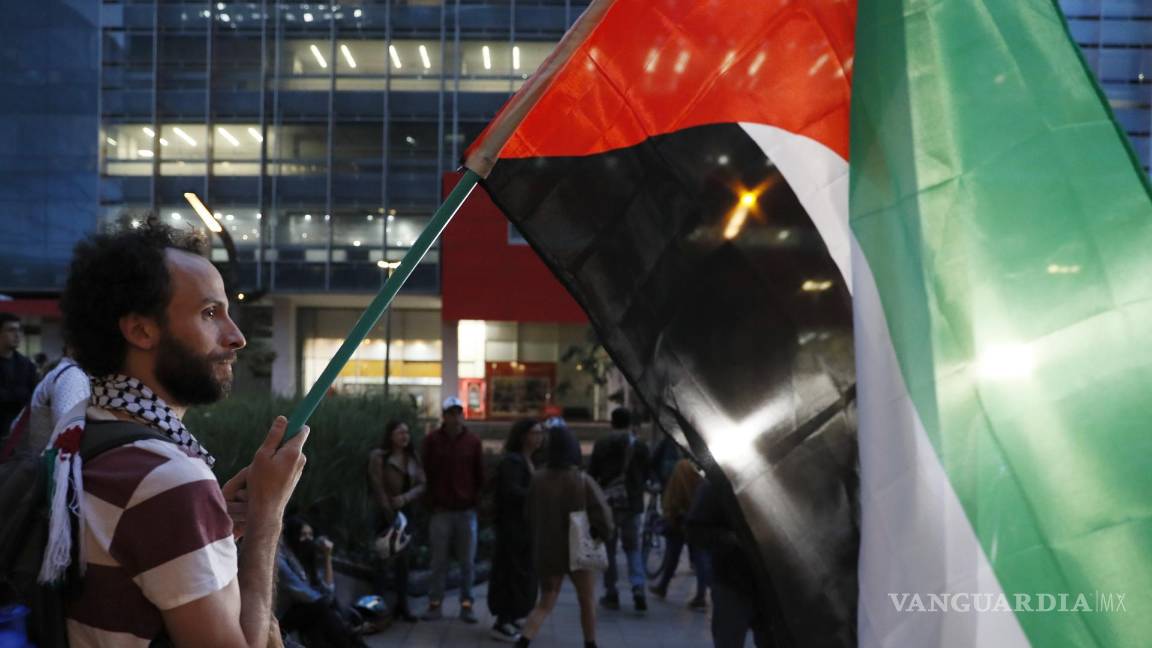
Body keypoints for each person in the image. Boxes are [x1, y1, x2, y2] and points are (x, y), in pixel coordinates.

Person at [56, 223, 309, 646]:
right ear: (140, 330)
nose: (237, 337)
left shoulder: (81, 434)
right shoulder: (165, 479)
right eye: (210, 313)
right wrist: (267, 516)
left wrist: (206, 526)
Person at [516, 420, 613, 648]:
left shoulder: (537, 479)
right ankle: (590, 643)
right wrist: (602, 535)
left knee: (545, 603)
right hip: (579, 550)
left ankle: (523, 641)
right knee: (586, 600)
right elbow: (604, 517)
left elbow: (527, 514)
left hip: (548, 550)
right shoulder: (581, 480)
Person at [420, 395, 484, 623]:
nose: (455, 417)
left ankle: (467, 604)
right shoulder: (432, 441)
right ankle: (434, 603)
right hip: (441, 511)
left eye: (458, 412)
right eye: (450, 413)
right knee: (438, 561)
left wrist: (475, 502)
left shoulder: (473, 442)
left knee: (468, 562)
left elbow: (479, 475)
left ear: (462, 415)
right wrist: (431, 502)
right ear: (444, 416)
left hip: (466, 511)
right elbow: (425, 472)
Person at [685, 480, 770, 647]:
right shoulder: (720, 481)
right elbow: (694, 529)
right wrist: (731, 539)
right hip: (733, 582)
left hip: (775, 586)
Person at [587, 406, 650, 612]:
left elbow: (592, 473)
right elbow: (647, 472)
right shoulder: (640, 445)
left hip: (608, 503)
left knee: (609, 549)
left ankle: (611, 591)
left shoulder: (602, 443)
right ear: (630, 423)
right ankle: (638, 587)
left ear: (612, 422)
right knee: (633, 547)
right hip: (633, 503)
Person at [487, 418, 543, 642]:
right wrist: (537, 494)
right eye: (535, 433)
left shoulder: (529, 460)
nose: (539, 437)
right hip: (511, 528)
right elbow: (511, 492)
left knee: (521, 574)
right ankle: (502, 620)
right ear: (523, 436)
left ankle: (512, 616)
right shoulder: (513, 462)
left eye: (541, 433)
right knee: (509, 573)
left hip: (524, 528)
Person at [276, 517, 368, 648]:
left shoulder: (305, 557)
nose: (308, 539)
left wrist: (327, 557)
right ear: (292, 535)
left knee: (319, 623)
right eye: (303, 535)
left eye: (310, 535)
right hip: (281, 618)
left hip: (306, 611)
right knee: (323, 608)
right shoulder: (281, 560)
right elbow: (305, 594)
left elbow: (327, 591)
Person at [367, 419, 425, 622]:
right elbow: (377, 485)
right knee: (382, 562)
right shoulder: (379, 457)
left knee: (403, 563)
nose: (405, 436)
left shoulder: (412, 457)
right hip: (385, 515)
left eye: (407, 432)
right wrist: (389, 511)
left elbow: (422, 484)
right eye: (400, 432)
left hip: (406, 514)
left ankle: (402, 606)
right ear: (390, 435)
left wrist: (405, 498)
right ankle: (377, 610)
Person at [648, 456, 709, 609]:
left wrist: (671, 513)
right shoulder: (700, 477)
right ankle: (700, 595)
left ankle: (663, 586)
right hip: (695, 521)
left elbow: (672, 497)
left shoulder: (681, 468)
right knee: (699, 559)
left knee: (672, 556)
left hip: (678, 521)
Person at [24, 350, 90, 453]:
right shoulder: (72, 376)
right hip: (50, 465)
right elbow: (68, 438)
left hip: (45, 461)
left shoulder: (67, 372)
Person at [0, 312, 37, 437]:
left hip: (19, 434)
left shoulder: (27, 365)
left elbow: (34, 397)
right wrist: (18, 394)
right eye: (11, 330)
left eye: (19, 330)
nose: (17, 335)